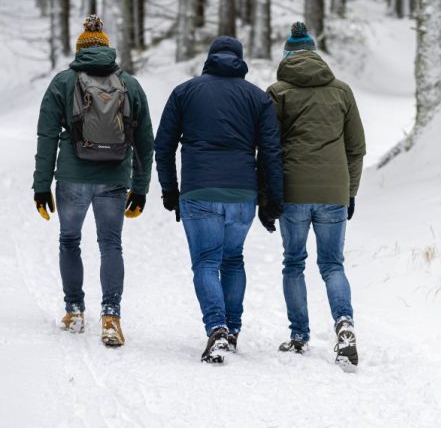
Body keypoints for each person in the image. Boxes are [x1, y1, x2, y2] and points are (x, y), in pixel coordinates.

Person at [154, 36, 283, 363]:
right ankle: (233, 328)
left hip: (199, 191)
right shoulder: (257, 97)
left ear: (210, 59)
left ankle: (216, 327)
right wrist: (272, 201)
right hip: (242, 194)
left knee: (206, 262)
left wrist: (170, 190)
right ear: (240, 60)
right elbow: (271, 153)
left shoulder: (185, 92)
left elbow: (164, 146)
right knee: (233, 259)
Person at [32, 14, 154, 347]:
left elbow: (46, 135)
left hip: (72, 176)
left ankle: (73, 311)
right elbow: (145, 141)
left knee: (69, 241)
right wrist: (140, 189)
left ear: (80, 48)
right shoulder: (130, 83)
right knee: (110, 244)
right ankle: (111, 317)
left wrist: (42, 185)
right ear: (107, 48)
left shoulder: (62, 82)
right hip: (115, 176)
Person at [267, 21, 366, 372]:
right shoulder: (341, 91)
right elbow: (356, 149)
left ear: (287, 56)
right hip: (333, 192)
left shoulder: (277, 92)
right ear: (314, 53)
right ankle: (344, 325)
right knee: (332, 265)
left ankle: (299, 335)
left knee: (294, 262)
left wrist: (269, 195)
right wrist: (349, 192)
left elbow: (268, 149)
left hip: (293, 191)